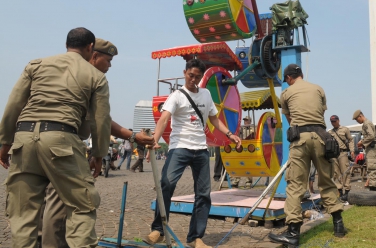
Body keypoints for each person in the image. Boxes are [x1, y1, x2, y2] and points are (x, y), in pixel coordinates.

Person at [0, 28, 111, 247]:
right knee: (82, 207)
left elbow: (14, 105)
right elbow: (100, 121)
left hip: (24, 140)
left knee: (22, 214)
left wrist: (5, 141)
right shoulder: (96, 77)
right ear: (90, 48)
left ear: (66, 44)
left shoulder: (36, 65)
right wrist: (98, 155)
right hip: (61, 141)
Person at [40, 38, 156, 248]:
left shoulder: (55, 69)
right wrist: (103, 152)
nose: (110, 66)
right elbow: (102, 120)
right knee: (72, 202)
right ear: (93, 55)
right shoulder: (91, 77)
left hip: (33, 141)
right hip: (64, 144)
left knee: (41, 204)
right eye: (108, 60)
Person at [147, 59, 241, 248]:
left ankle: (195, 238)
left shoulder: (206, 94)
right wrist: (154, 140)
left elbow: (214, 119)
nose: (193, 80)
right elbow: (164, 119)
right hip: (179, 148)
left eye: (197, 77)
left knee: (204, 194)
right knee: (166, 183)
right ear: (185, 73)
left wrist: (230, 134)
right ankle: (158, 229)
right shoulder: (176, 96)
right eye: (191, 76)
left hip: (201, 150)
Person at [269, 64, 345, 247]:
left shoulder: (286, 93)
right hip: (321, 137)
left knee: (295, 185)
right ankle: (338, 225)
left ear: (288, 78)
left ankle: (293, 233)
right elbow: (321, 113)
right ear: (301, 74)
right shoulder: (318, 88)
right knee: (326, 181)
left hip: (300, 139)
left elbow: (290, 119)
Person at [329, 115, 355, 201]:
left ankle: (347, 191)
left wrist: (352, 151)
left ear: (338, 121)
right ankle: (339, 191)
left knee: (345, 171)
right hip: (334, 154)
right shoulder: (330, 132)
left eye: (335, 121)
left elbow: (350, 140)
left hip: (342, 153)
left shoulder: (345, 129)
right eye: (332, 122)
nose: (333, 123)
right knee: (336, 173)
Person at [352, 110, 376, 191]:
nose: (357, 121)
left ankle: (373, 190)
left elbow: (371, 136)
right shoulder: (366, 123)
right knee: (370, 169)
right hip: (369, 148)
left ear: (360, 116)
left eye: (357, 119)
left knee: (372, 169)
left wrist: (362, 142)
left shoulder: (366, 123)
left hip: (371, 149)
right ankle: (372, 188)